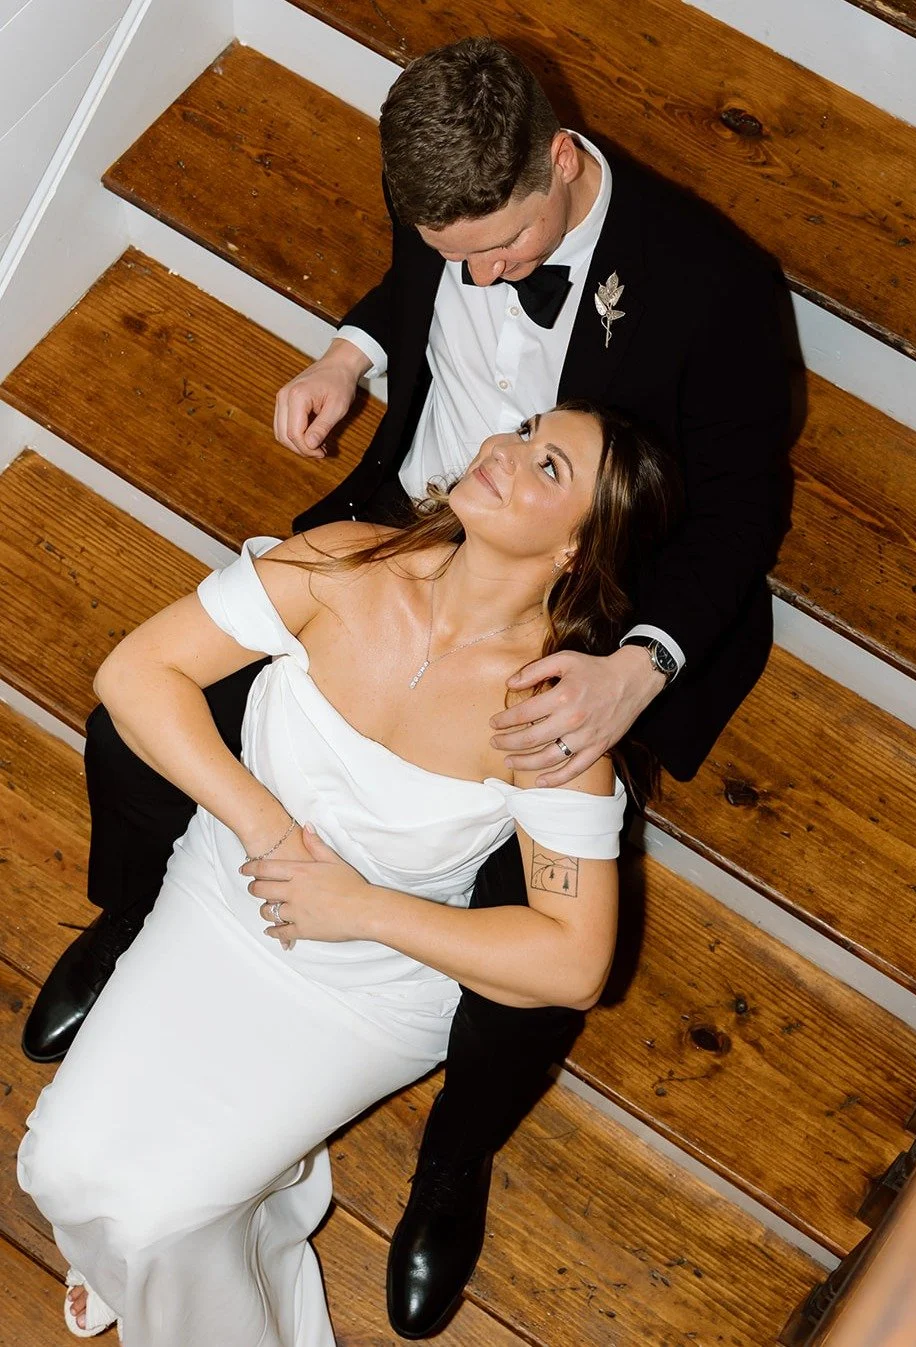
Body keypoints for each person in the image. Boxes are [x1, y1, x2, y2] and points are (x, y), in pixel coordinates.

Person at [22, 37, 793, 1338]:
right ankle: (137, 919)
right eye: (453, 247)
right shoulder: (445, 180)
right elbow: (408, 285)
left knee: (517, 979)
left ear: (559, 159)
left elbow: (739, 511)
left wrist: (633, 667)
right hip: (411, 515)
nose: (477, 274)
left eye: (497, 249)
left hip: (587, 607)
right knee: (131, 739)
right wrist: (349, 357)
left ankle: (453, 1160)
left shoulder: (712, 288)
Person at [18, 403, 678, 1344]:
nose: (505, 451)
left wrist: (364, 908)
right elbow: (135, 672)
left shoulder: (547, 714)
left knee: (152, 1220)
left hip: (365, 990)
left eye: (549, 467)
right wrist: (265, 826)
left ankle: (195, 1265)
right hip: (224, 893)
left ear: (579, 546)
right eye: (524, 430)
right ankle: (225, 1224)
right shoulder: (344, 563)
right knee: (59, 1173)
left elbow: (574, 964)